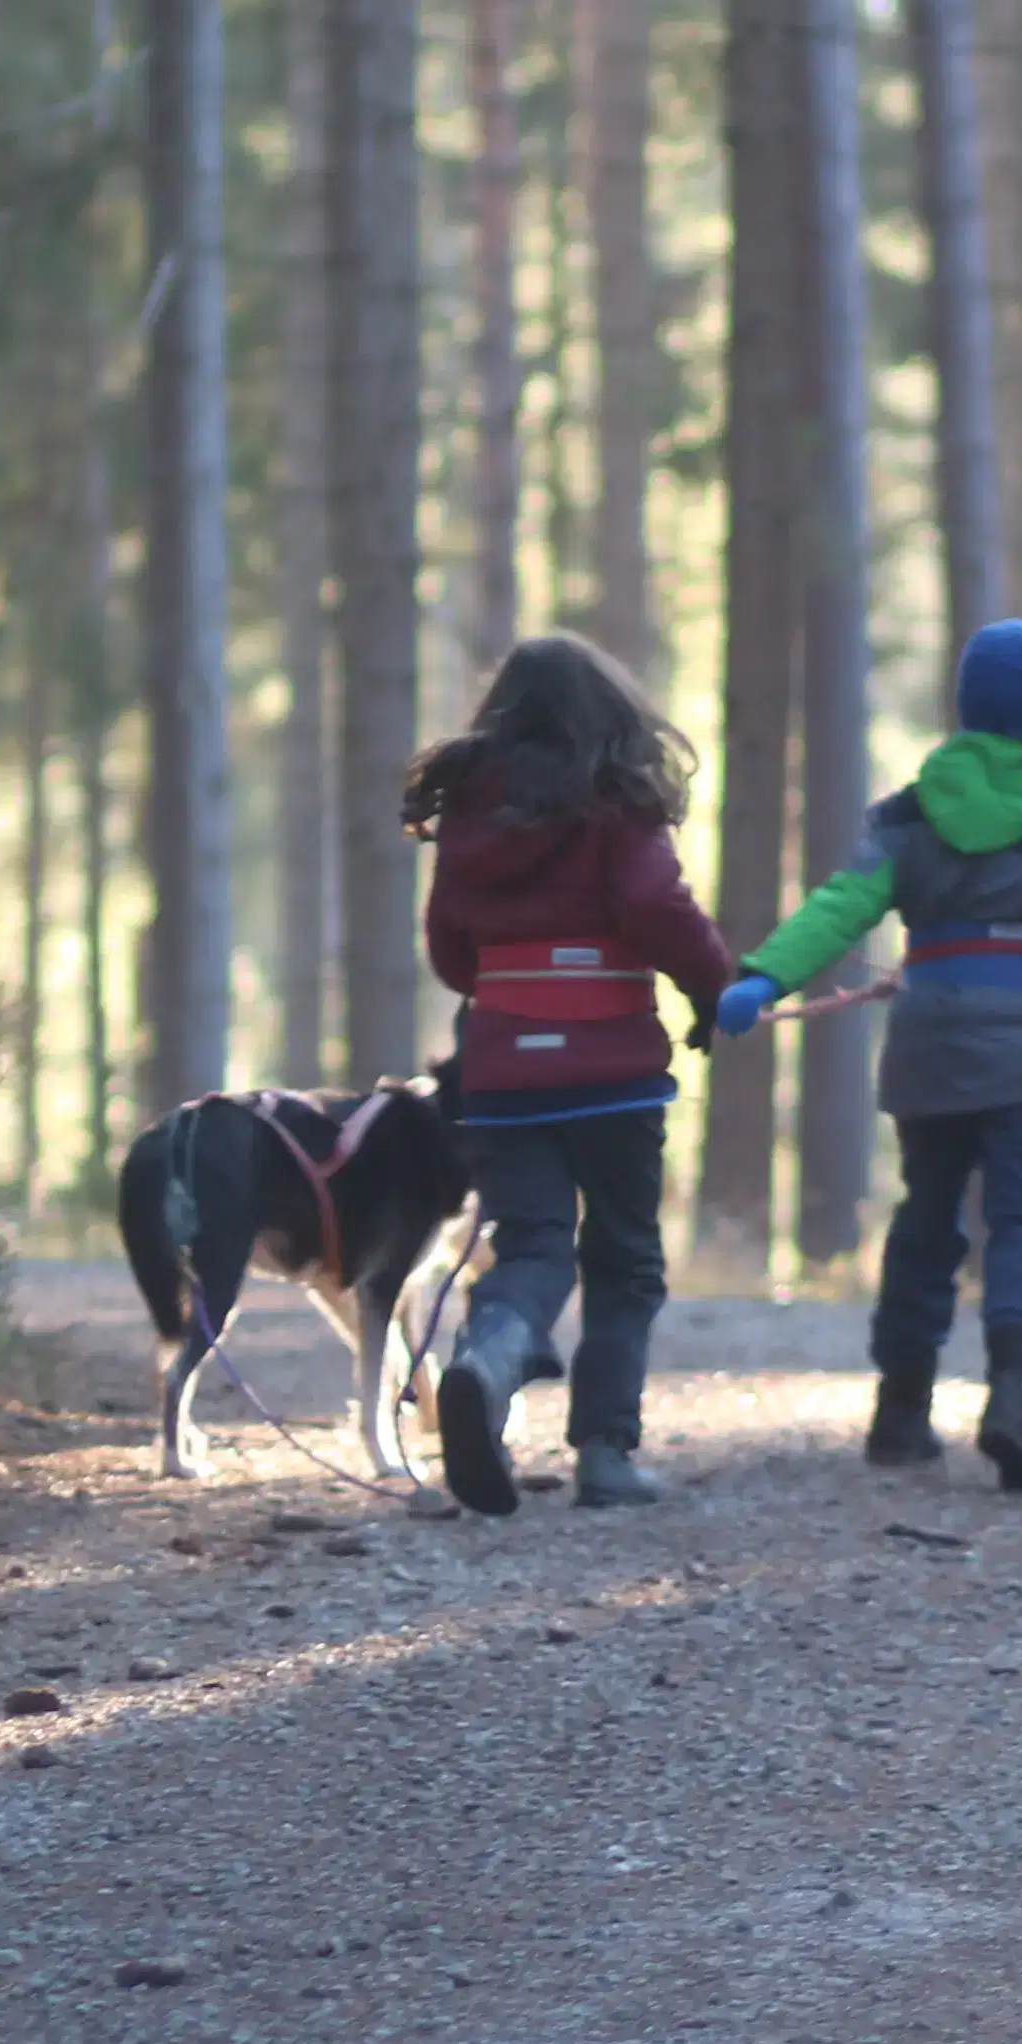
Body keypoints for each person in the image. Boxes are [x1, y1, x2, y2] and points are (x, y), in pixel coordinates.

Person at [716, 619, 1022, 1496]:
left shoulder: (907, 814)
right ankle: (1017, 1394)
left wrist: (762, 978)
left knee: (927, 1216)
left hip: (929, 1036)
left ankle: (900, 1410)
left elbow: (841, 907)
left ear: (967, 702)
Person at [408, 635, 735, 1515]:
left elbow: (448, 950)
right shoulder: (618, 801)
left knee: (533, 1247)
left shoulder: (474, 811)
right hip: (614, 1074)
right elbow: (655, 907)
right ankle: (605, 1454)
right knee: (625, 1258)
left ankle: (486, 1363)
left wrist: (516, 988)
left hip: (504, 1070)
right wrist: (716, 992)